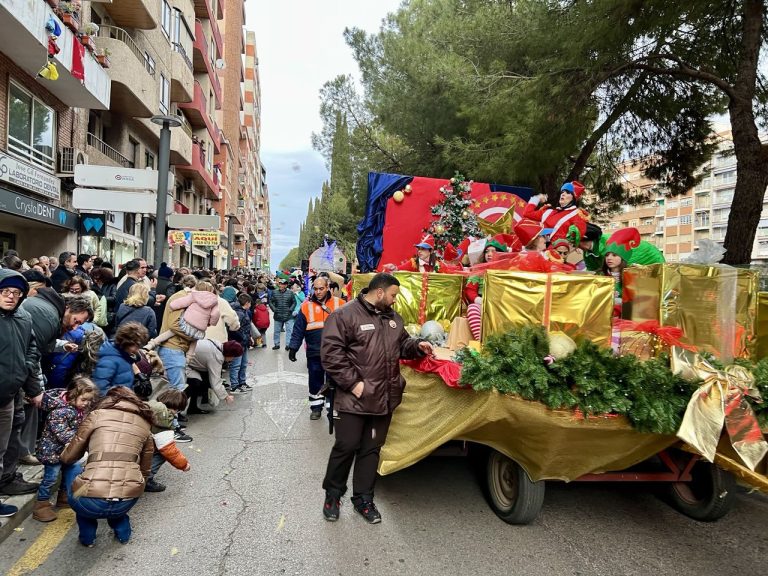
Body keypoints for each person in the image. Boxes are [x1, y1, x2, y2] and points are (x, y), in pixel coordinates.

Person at [320, 273, 433, 523]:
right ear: (379, 292)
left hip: (383, 399)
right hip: (353, 399)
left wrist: (417, 346)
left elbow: (402, 345)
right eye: (393, 295)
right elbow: (331, 354)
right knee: (346, 446)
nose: (395, 300)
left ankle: (363, 499)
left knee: (371, 450)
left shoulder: (394, 319)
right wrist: (354, 384)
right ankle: (333, 496)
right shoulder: (345, 315)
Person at [60, 387, 154, 547]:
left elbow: (68, 457)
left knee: (75, 475)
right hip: (127, 499)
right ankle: (123, 534)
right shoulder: (145, 425)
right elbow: (145, 470)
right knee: (117, 497)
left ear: (108, 399)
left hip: (89, 499)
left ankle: (88, 539)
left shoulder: (96, 415)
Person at [0, 270, 44, 518]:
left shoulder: (23, 317)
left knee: (2, 447)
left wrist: (25, 374)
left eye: (16, 293)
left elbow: (32, 348)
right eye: (5, 291)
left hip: (8, 395)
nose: (10, 296)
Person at [32, 377, 97, 522]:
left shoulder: (78, 408)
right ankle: (41, 504)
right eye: (84, 400)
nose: (86, 403)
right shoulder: (59, 411)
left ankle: (63, 497)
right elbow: (63, 433)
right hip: (52, 452)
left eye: (89, 400)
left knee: (68, 473)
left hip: (68, 451)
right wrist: (78, 444)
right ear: (73, 395)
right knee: (51, 478)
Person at [288, 276, 345, 420]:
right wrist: (293, 347)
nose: (318, 292)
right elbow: (298, 329)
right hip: (315, 351)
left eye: (321, 288)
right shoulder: (306, 306)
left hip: (335, 352)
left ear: (328, 288)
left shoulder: (340, 304)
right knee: (315, 380)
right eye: (316, 289)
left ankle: (332, 408)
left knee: (334, 381)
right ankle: (316, 408)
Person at [145, 389, 192, 493]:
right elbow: (168, 449)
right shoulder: (163, 416)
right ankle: (146, 479)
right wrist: (184, 465)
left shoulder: (151, 405)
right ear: (176, 408)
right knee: (161, 452)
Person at [91, 322, 149, 396]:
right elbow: (100, 388)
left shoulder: (125, 357)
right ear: (127, 342)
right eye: (136, 346)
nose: (137, 350)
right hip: (114, 401)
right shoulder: (109, 360)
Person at [523, 181, 590, 242]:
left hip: (556, 250)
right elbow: (527, 213)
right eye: (562, 192)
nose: (563, 194)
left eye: (568, 193)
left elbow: (574, 240)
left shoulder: (578, 216)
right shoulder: (548, 211)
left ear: (574, 198)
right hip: (539, 247)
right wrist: (537, 198)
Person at [185, 339, 240, 414]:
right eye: (233, 357)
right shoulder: (216, 357)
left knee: (199, 382)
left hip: (188, 360)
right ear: (229, 354)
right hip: (182, 363)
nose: (233, 359)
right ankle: (175, 409)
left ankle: (192, 407)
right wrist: (226, 397)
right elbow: (215, 382)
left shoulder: (218, 345)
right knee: (194, 383)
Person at [228, 293, 253, 394]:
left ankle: (242, 382)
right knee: (236, 364)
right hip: (238, 342)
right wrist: (243, 337)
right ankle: (234, 385)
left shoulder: (243, 311)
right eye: (250, 303)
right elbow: (235, 329)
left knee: (243, 363)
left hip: (243, 341)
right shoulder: (240, 313)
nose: (250, 305)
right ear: (247, 303)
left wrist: (249, 337)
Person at [269, 277, 296, 350]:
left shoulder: (290, 293)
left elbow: (294, 302)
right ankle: (276, 344)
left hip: (288, 315)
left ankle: (288, 345)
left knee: (289, 331)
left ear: (286, 285)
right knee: (276, 331)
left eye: (282, 284)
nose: (280, 285)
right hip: (278, 315)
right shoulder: (274, 292)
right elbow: (270, 302)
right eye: (280, 284)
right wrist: (274, 309)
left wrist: (290, 309)